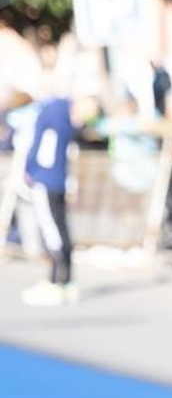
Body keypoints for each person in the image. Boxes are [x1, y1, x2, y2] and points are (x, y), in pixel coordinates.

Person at [19, 94, 99, 306]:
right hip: (54, 177)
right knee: (59, 229)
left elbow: (46, 148)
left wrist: (32, 170)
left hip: (48, 179)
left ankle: (56, 281)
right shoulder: (58, 115)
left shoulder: (57, 116)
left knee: (53, 230)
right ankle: (64, 281)